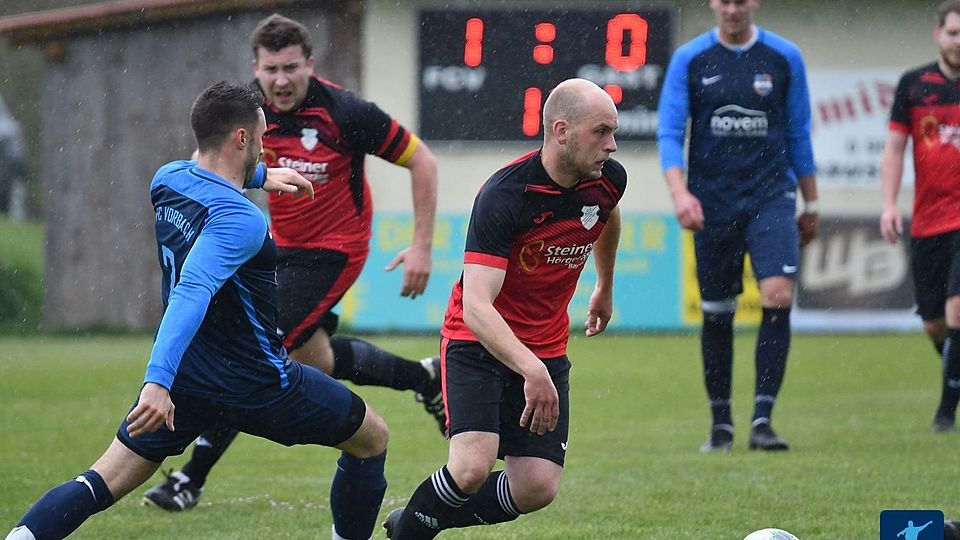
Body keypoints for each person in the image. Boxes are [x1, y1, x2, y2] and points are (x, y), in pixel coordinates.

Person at [5, 81, 390, 540]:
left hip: (188, 380)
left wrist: (264, 178)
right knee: (372, 438)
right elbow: (192, 291)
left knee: (98, 481)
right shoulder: (241, 220)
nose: (266, 147)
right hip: (257, 382)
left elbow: (207, 177)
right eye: (263, 138)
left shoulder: (166, 178)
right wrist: (155, 381)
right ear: (241, 139)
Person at [143, 14, 442, 511]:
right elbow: (219, 166)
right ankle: (423, 378)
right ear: (255, 68)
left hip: (335, 249)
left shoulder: (347, 112)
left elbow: (422, 161)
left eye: (290, 69)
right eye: (270, 70)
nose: (280, 81)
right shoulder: (248, 116)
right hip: (281, 248)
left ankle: (189, 479)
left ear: (309, 64)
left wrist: (423, 246)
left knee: (251, 350)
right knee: (313, 357)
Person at [380, 78, 625, 539]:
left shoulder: (608, 178)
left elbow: (608, 217)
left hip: (545, 346)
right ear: (562, 131)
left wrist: (604, 285)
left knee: (537, 487)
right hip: (478, 340)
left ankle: (414, 521)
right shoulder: (505, 195)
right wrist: (532, 370)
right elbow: (476, 306)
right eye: (601, 132)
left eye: (614, 133)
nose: (611, 145)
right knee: (471, 466)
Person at [657, 0, 818, 452]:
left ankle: (763, 420)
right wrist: (680, 193)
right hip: (712, 202)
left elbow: (799, 131)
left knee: (778, 296)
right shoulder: (690, 59)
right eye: (724, 1)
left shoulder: (784, 57)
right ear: (713, 4)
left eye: (740, 0)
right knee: (717, 310)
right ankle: (721, 424)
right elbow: (669, 132)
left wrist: (813, 200)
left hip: (772, 197)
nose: (732, 9)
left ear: (754, 3)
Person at [880, 0, 960, 433]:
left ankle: (945, 415)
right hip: (928, 220)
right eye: (953, 32)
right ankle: (955, 375)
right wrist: (890, 204)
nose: (959, 41)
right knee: (934, 324)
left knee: (958, 309)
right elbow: (894, 150)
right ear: (938, 34)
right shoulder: (914, 85)